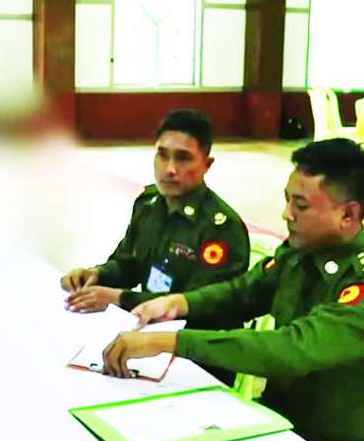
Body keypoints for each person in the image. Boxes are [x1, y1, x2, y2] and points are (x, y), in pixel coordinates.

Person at [101, 138, 364, 441]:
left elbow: (291, 349)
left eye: (300, 205)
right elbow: (244, 292)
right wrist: (180, 303)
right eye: (287, 200)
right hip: (278, 426)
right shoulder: (302, 251)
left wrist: (171, 342)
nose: (286, 214)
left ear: (348, 215)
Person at [61, 110, 249, 342]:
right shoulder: (148, 204)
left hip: (197, 345)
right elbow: (127, 264)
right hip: (149, 329)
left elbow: (199, 307)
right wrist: (97, 275)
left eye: (183, 158)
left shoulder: (220, 228)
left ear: (206, 165)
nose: (170, 169)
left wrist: (118, 299)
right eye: (162, 155)